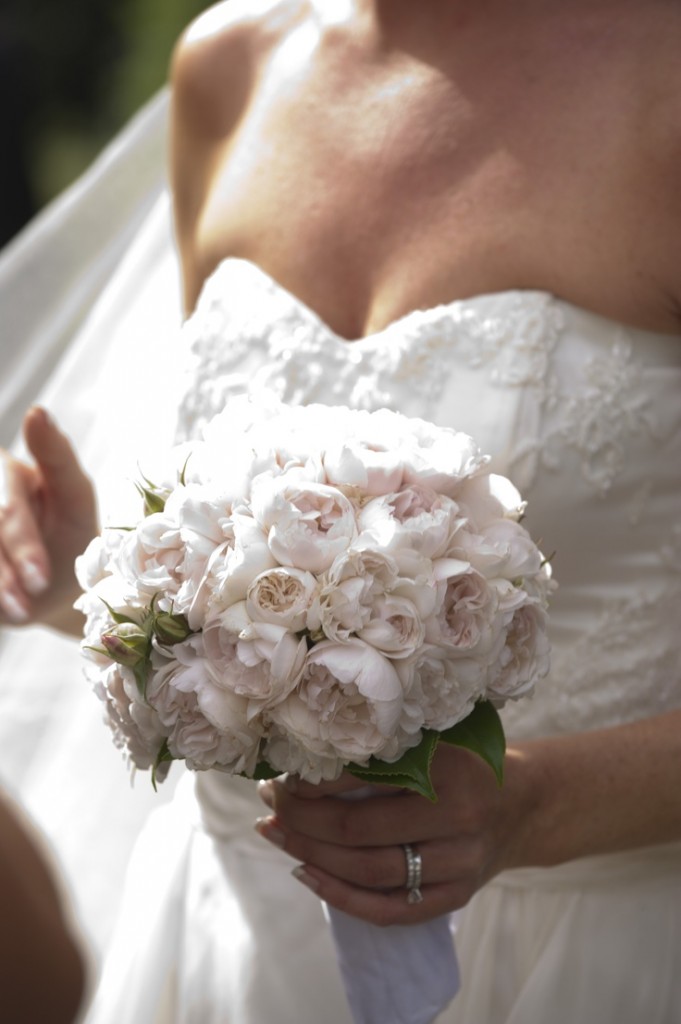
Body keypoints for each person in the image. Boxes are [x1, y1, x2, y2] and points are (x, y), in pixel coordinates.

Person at [0, 1, 679, 1021]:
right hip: (235, 943)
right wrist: (93, 591)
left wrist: (535, 806)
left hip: (580, 956)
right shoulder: (232, 66)